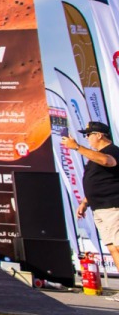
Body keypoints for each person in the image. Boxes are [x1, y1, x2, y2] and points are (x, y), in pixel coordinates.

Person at [61, 121, 119, 287]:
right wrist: (84, 202)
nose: (87, 139)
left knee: (118, 246)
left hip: (112, 206)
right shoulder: (96, 154)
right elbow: (97, 181)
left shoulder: (111, 151)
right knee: (113, 248)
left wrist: (77, 147)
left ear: (99, 135)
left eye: (88, 135)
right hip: (99, 207)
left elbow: (108, 161)